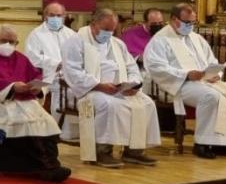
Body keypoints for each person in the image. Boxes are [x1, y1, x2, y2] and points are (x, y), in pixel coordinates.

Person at [0, 25, 70, 182]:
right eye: (4, 41)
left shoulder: (21, 58)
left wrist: (34, 88)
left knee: (46, 121)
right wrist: (12, 87)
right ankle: (36, 168)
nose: (8, 45)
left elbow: (35, 77)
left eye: (13, 42)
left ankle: (50, 164)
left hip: (24, 101)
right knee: (20, 121)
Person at [143, 4, 226, 159]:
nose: (190, 26)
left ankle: (225, 143)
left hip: (204, 81)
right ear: (174, 19)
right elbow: (156, 67)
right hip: (176, 85)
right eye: (187, 22)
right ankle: (202, 143)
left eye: (193, 23)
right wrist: (187, 74)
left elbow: (211, 60)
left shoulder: (197, 38)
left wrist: (216, 73)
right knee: (211, 97)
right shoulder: (160, 40)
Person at [62, 9, 161, 168]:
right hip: (90, 90)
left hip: (119, 88)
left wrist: (133, 84)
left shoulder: (117, 43)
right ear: (94, 25)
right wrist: (99, 85)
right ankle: (103, 151)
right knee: (110, 105)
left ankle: (134, 151)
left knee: (147, 103)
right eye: (105, 29)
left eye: (112, 30)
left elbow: (131, 66)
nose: (109, 33)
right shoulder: (76, 41)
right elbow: (72, 71)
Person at [25, 2, 78, 140]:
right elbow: (32, 57)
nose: (55, 18)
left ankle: (69, 132)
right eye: (52, 15)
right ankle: (53, 131)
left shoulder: (72, 34)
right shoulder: (36, 35)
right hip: (47, 75)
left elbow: (79, 55)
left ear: (64, 16)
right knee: (59, 92)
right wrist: (55, 64)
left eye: (59, 15)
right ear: (45, 16)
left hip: (70, 75)